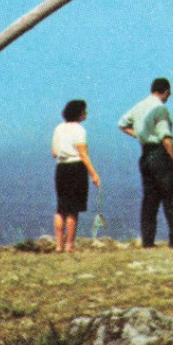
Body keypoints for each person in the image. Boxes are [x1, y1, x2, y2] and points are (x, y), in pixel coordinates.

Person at [119, 77, 173, 248]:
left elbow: (122, 124)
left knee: (150, 200)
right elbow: (166, 137)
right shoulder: (160, 109)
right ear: (166, 91)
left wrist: (140, 135)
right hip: (161, 154)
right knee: (172, 199)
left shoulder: (139, 106)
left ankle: (148, 241)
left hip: (145, 154)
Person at [51, 99, 101, 253]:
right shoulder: (79, 130)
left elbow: (54, 152)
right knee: (73, 209)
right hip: (76, 168)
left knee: (61, 208)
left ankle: (58, 245)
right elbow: (83, 154)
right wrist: (94, 174)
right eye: (84, 111)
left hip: (61, 167)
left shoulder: (59, 128)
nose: (86, 113)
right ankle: (69, 245)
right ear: (79, 113)